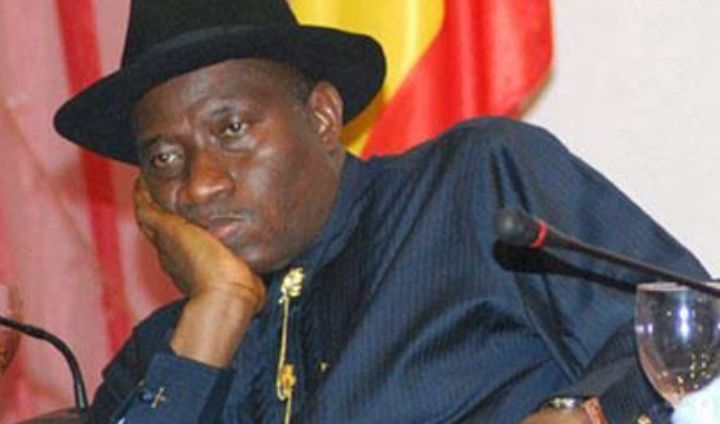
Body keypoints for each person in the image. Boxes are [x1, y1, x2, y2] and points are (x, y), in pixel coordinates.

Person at [53, 0, 708, 423]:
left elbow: (694, 332)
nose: (198, 186)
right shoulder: (164, 353)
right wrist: (218, 309)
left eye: (232, 129)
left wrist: (583, 411)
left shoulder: (471, 188)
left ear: (321, 115)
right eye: (164, 158)